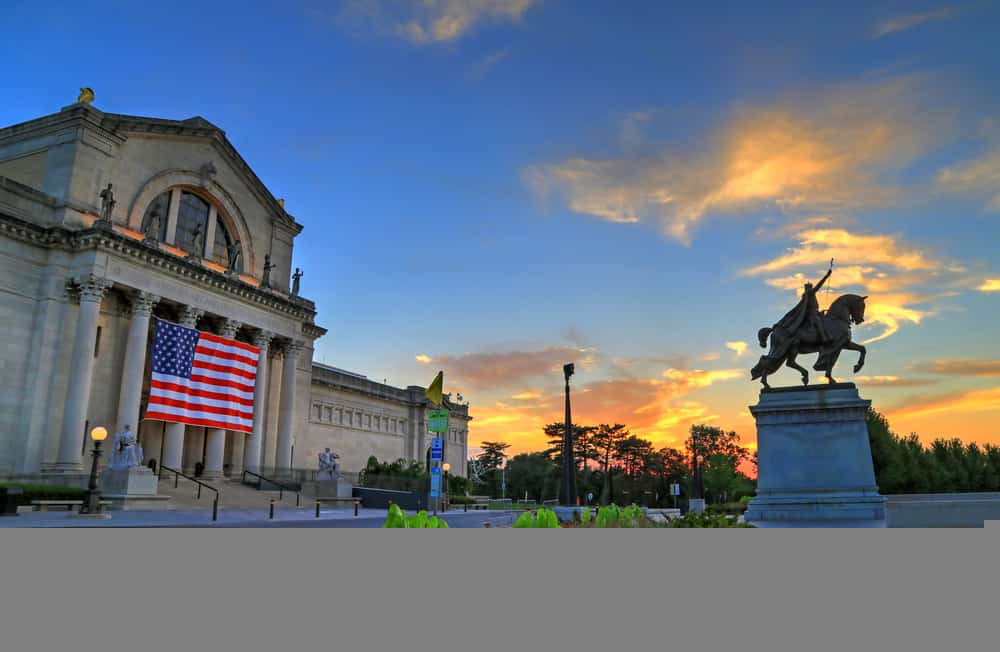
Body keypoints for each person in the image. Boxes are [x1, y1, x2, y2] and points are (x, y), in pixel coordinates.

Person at [775, 262, 833, 343]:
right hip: (811, 314)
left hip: (816, 312)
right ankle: (824, 337)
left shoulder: (809, 294)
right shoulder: (809, 293)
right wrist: (826, 276)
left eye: (810, 287)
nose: (811, 288)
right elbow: (818, 286)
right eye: (810, 287)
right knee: (818, 321)